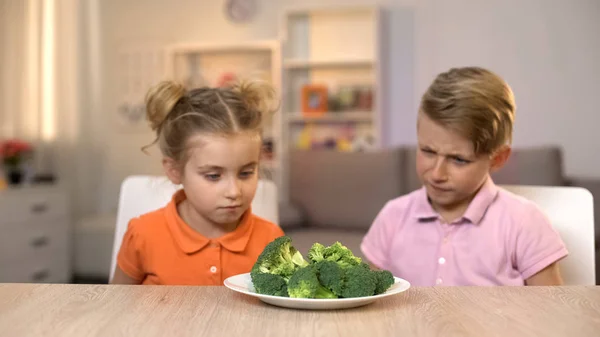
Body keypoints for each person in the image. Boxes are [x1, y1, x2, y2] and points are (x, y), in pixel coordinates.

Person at [361, 67, 568, 286]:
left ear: (498, 159)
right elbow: (371, 302)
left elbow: (551, 312)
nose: (437, 174)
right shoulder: (392, 217)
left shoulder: (524, 223)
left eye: (458, 159)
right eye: (428, 151)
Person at [111, 80, 284, 285]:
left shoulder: (271, 239)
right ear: (175, 171)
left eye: (246, 173)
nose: (233, 191)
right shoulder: (142, 235)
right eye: (213, 176)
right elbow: (116, 308)